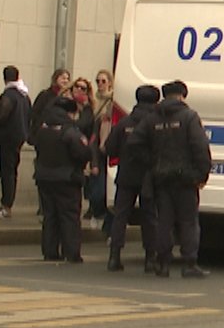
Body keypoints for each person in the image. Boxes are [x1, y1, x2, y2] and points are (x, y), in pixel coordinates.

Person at [148, 79, 212, 278]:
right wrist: (202, 174)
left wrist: (153, 165)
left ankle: (162, 263)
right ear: (182, 95)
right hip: (185, 178)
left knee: (164, 221)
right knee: (188, 221)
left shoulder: (153, 118)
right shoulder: (189, 117)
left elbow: (136, 143)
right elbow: (200, 147)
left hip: (161, 177)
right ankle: (189, 263)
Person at [105, 84, 162, 272]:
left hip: (126, 174)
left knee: (120, 215)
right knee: (150, 217)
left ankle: (114, 256)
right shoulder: (157, 123)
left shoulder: (124, 122)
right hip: (149, 175)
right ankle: (150, 259)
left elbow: (110, 148)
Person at [32, 92, 92, 263]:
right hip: (67, 178)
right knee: (69, 216)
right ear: (70, 113)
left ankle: (50, 251)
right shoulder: (70, 131)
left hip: (44, 177)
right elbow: (82, 153)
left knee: (50, 216)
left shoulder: (42, 128)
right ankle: (71, 252)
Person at [0, 65, 31, 218]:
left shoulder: (8, 95)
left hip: (7, 138)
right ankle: (7, 203)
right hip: (19, 137)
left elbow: (0, 116)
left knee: (6, 171)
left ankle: (6, 204)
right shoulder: (24, 95)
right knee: (12, 170)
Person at [87, 69, 121, 229]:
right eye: (97, 81)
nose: (100, 84)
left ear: (110, 83)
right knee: (95, 188)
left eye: (103, 81)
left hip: (109, 148)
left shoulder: (113, 102)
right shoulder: (94, 102)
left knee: (105, 189)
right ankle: (98, 213)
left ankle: (106, 222)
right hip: (97, 148)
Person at [31, 68, 72, 138]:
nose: (66, 81)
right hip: (45, 134)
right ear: (56, 78)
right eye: (63, 78)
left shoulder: (69, 97)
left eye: (67, 79)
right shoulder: (45, 95)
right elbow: (36, 113)